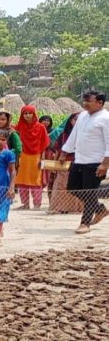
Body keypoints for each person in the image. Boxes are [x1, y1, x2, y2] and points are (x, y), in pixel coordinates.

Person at [60, 90, 109, 234]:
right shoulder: (82, 116)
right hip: (79, 159)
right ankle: (100, 209)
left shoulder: (106, 118)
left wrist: (105, 164)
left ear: (100, 103)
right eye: (84, 100)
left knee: (89, 191)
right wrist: (64, 152)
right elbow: (74, 135)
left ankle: (85, 223)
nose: (85, 103)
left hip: (96, 162)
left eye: (89, 101)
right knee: (73, 188)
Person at [12, 105, 50, 210]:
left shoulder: (41, 127)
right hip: (23, 156)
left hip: (36, 156)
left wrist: (42, 158)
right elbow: (11, 128)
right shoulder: (21, 126)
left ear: (34, 114)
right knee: (22, 180)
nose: (27, 115)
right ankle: (25, 204)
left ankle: (37, 204)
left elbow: (45, 143)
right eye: (25, 113)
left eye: (30, 113)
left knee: (35, 181)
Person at [47, 113, 83, 214]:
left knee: (75, 185)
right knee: (61, 185)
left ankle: (75, 208)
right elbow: (58, 150)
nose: (77, 121)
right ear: (70, 121)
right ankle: (59, 207)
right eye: (75, 119)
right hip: (64, 163)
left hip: (79, 163)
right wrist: (55, 163)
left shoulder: (85, 134)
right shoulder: (63, 135)